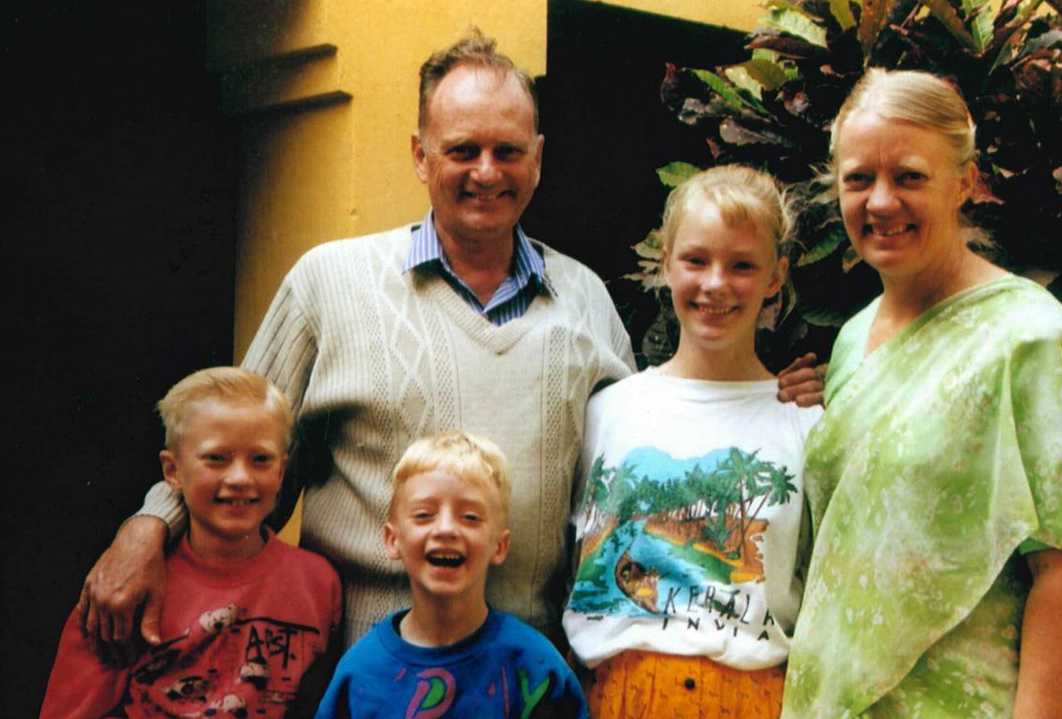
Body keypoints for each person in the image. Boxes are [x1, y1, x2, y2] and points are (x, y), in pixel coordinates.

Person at [78, 29, 824, 656]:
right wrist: (149, 525)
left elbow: (641, 461)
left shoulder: (587, 301)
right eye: (463, 149)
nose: (486, 172)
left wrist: (773, 400)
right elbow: (232, 446)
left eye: (508, 150)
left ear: (537, 155)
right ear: (420, 154)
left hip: (529, 669)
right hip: (364, 662)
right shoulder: (328, 284)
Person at [779, 69, 1062, 718]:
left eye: (910, 176)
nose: (881, 201)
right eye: (859, 178)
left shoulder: (1027, 336)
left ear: (966, 181)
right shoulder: (849, 340)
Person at [564, 165, 823, 718]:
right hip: (614, 695)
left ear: (776, 278)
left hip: (753, 697)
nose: (715, 284)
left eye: (743, 265)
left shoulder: (805, 423)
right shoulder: (608, 410)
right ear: (666, 262)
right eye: (697, 260)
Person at [41, 367, 341, 719]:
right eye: (217, 458)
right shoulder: (123, 588)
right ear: (172, 471)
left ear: (281, 471)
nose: (240, 478)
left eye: (260, 459)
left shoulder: (318, 584)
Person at [316, 431, 587, 718]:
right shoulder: (361, 673)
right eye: (424, 515)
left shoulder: (536, 668)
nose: (446, 529)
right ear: (392, 540)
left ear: (500, 545)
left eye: (470, 517)